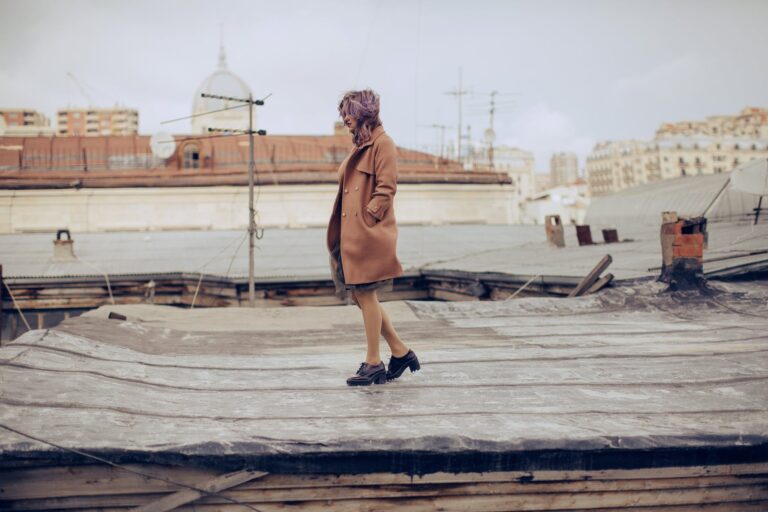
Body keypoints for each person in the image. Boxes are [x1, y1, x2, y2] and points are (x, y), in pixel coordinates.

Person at [327, 89, 420, 386]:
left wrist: (368, 219)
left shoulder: (383, 144)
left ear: (364, 113)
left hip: (367, 234)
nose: (345, 120)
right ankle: (400, 351)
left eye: (349, 114)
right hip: (351, 235)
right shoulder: (362, 146)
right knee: (360, 296)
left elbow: (386, 188)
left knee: (365, 295)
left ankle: (373, 362)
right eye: (343, 114)